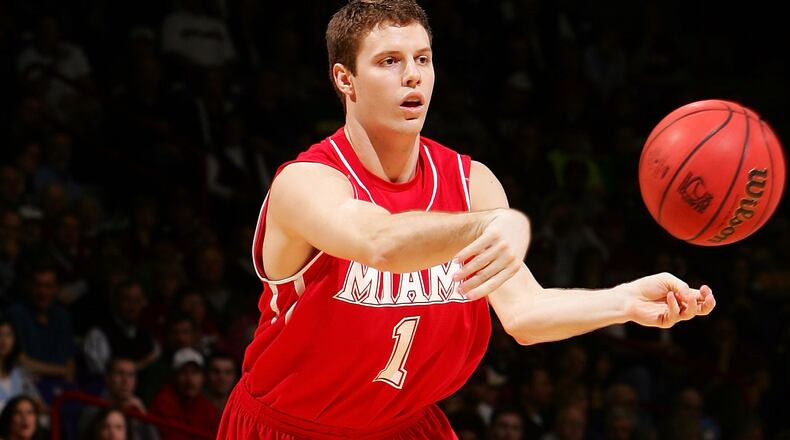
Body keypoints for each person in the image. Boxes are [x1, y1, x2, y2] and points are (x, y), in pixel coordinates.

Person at [217, 1, 716, 438]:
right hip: (288, 430)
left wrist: (625, 301)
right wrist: (493, 224)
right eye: (390, 61)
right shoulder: (306, 183)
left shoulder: (471, 181)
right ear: (344, 79)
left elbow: (524, 315)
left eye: (423, 60)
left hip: (404, 427)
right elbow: (381, 242)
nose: (412, 75)